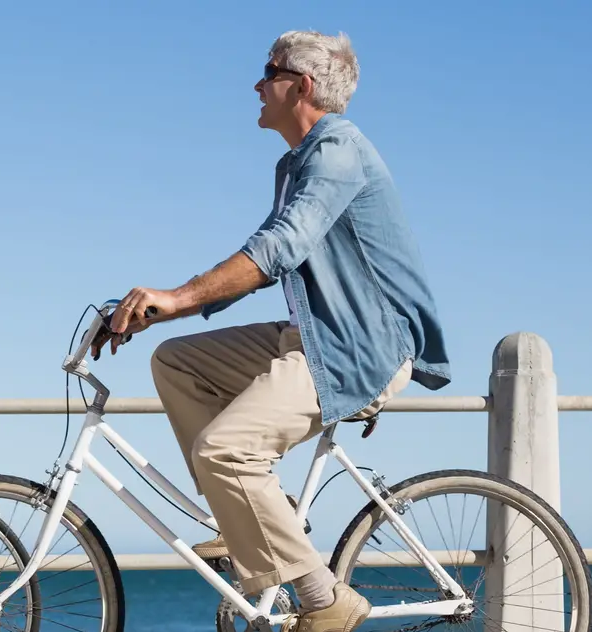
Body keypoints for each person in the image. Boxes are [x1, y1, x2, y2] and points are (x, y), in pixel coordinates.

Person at [96, 31, 451, 632]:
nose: (257, 85)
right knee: (177, 362)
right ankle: (252, 519)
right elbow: (265, 262)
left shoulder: (338, 151)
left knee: (225, 451)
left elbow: (279, 248)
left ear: (302, 86)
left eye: (268, 72)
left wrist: (175, 296)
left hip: (359, 348)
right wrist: (166, 310)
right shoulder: (297, 163)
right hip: (314, 336)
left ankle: (325, 599)